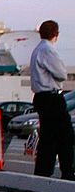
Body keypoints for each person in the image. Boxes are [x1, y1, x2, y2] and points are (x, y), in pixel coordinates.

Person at [30, 20, 74, 179]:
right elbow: (61, 73)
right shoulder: (48, 50)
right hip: (52, 96)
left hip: (42, 97)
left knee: (48, 137)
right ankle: (68, 172)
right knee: (65, 135)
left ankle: (43, 172)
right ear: (56, 34)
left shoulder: (37, 49)